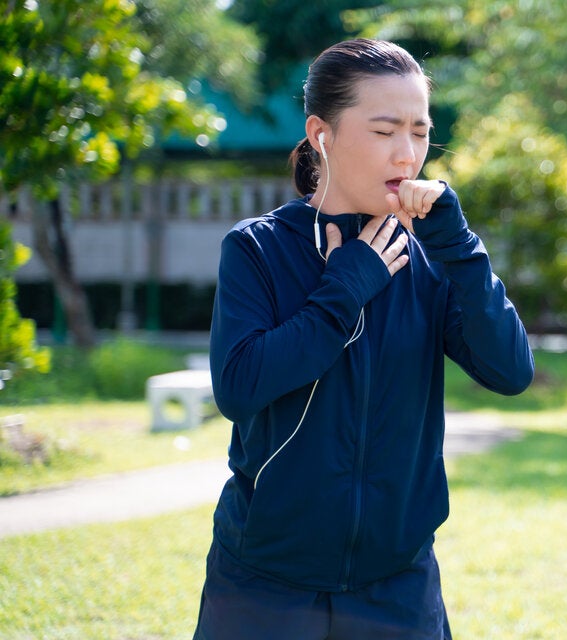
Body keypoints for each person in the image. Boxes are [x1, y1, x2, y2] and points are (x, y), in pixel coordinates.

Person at [193, 38, 535, 639]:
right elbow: (239, 387)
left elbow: (510, 371)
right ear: (321, 134)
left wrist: (460, 248)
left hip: (396, 586)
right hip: (262, 584)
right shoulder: (257, 248)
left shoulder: (431, 258)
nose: (407, 154)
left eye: (420, 133)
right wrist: (348, 283)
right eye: (384, 131)